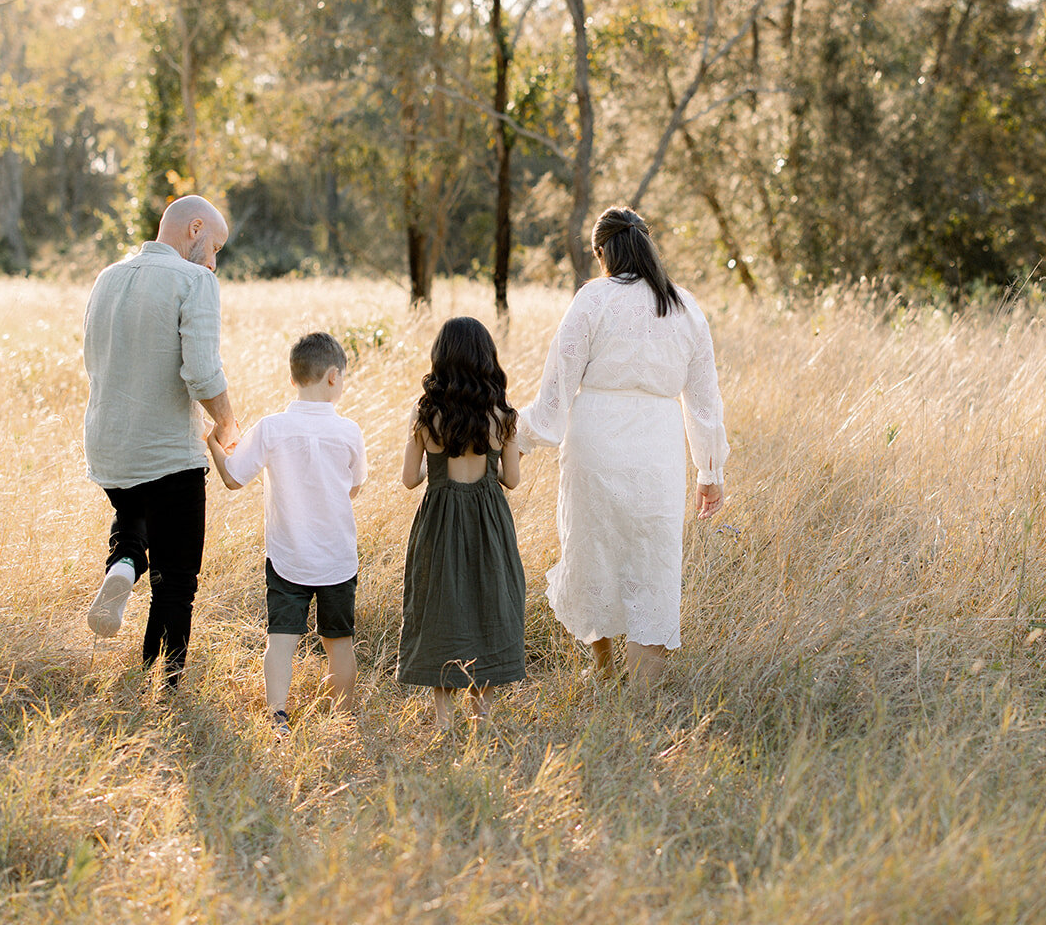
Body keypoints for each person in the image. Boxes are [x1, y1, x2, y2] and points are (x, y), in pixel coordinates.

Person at [519, 206, 728, 689]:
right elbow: (703, 401)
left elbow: (557, 386)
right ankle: (641, 694)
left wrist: (518, 435)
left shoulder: (593, 299)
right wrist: (709, 472)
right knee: (652, 559)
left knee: (594, 551)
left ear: (602, 252)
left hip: (595, 439)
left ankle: (605, 670)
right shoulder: (684, 306)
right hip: (656, 445)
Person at [82, 194, 239, 691]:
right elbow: (201, 371)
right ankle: (162, 689)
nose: (214, 262)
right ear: (194, 229)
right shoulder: (194, 280)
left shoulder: (107, 277)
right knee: (176, 581)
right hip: (169, 453)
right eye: (214, 246)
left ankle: (124, 563)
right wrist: (228, 423)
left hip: (109, 448)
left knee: (134, 518)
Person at [206, 332, 367, 732]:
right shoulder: (349, 431)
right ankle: (341, 719)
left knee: (281, 639)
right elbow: (355, 485)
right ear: (333, 377)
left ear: (293, 378)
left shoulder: (270, 428)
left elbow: (232, 479)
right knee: (339, 642)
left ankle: (278, 715)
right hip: (337, 558)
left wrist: (215, 442)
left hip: (287, 556)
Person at [398, 316, 527, 729]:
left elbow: (408, 479)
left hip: (439, 521)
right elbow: (510, 480)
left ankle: (443, 717)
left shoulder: (426, 416)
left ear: (442, 360)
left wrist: (431, 471)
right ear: (486, 360)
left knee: (440, 606)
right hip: (489, 520)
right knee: (491, 601)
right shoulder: (502, 417)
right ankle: (482, 713)